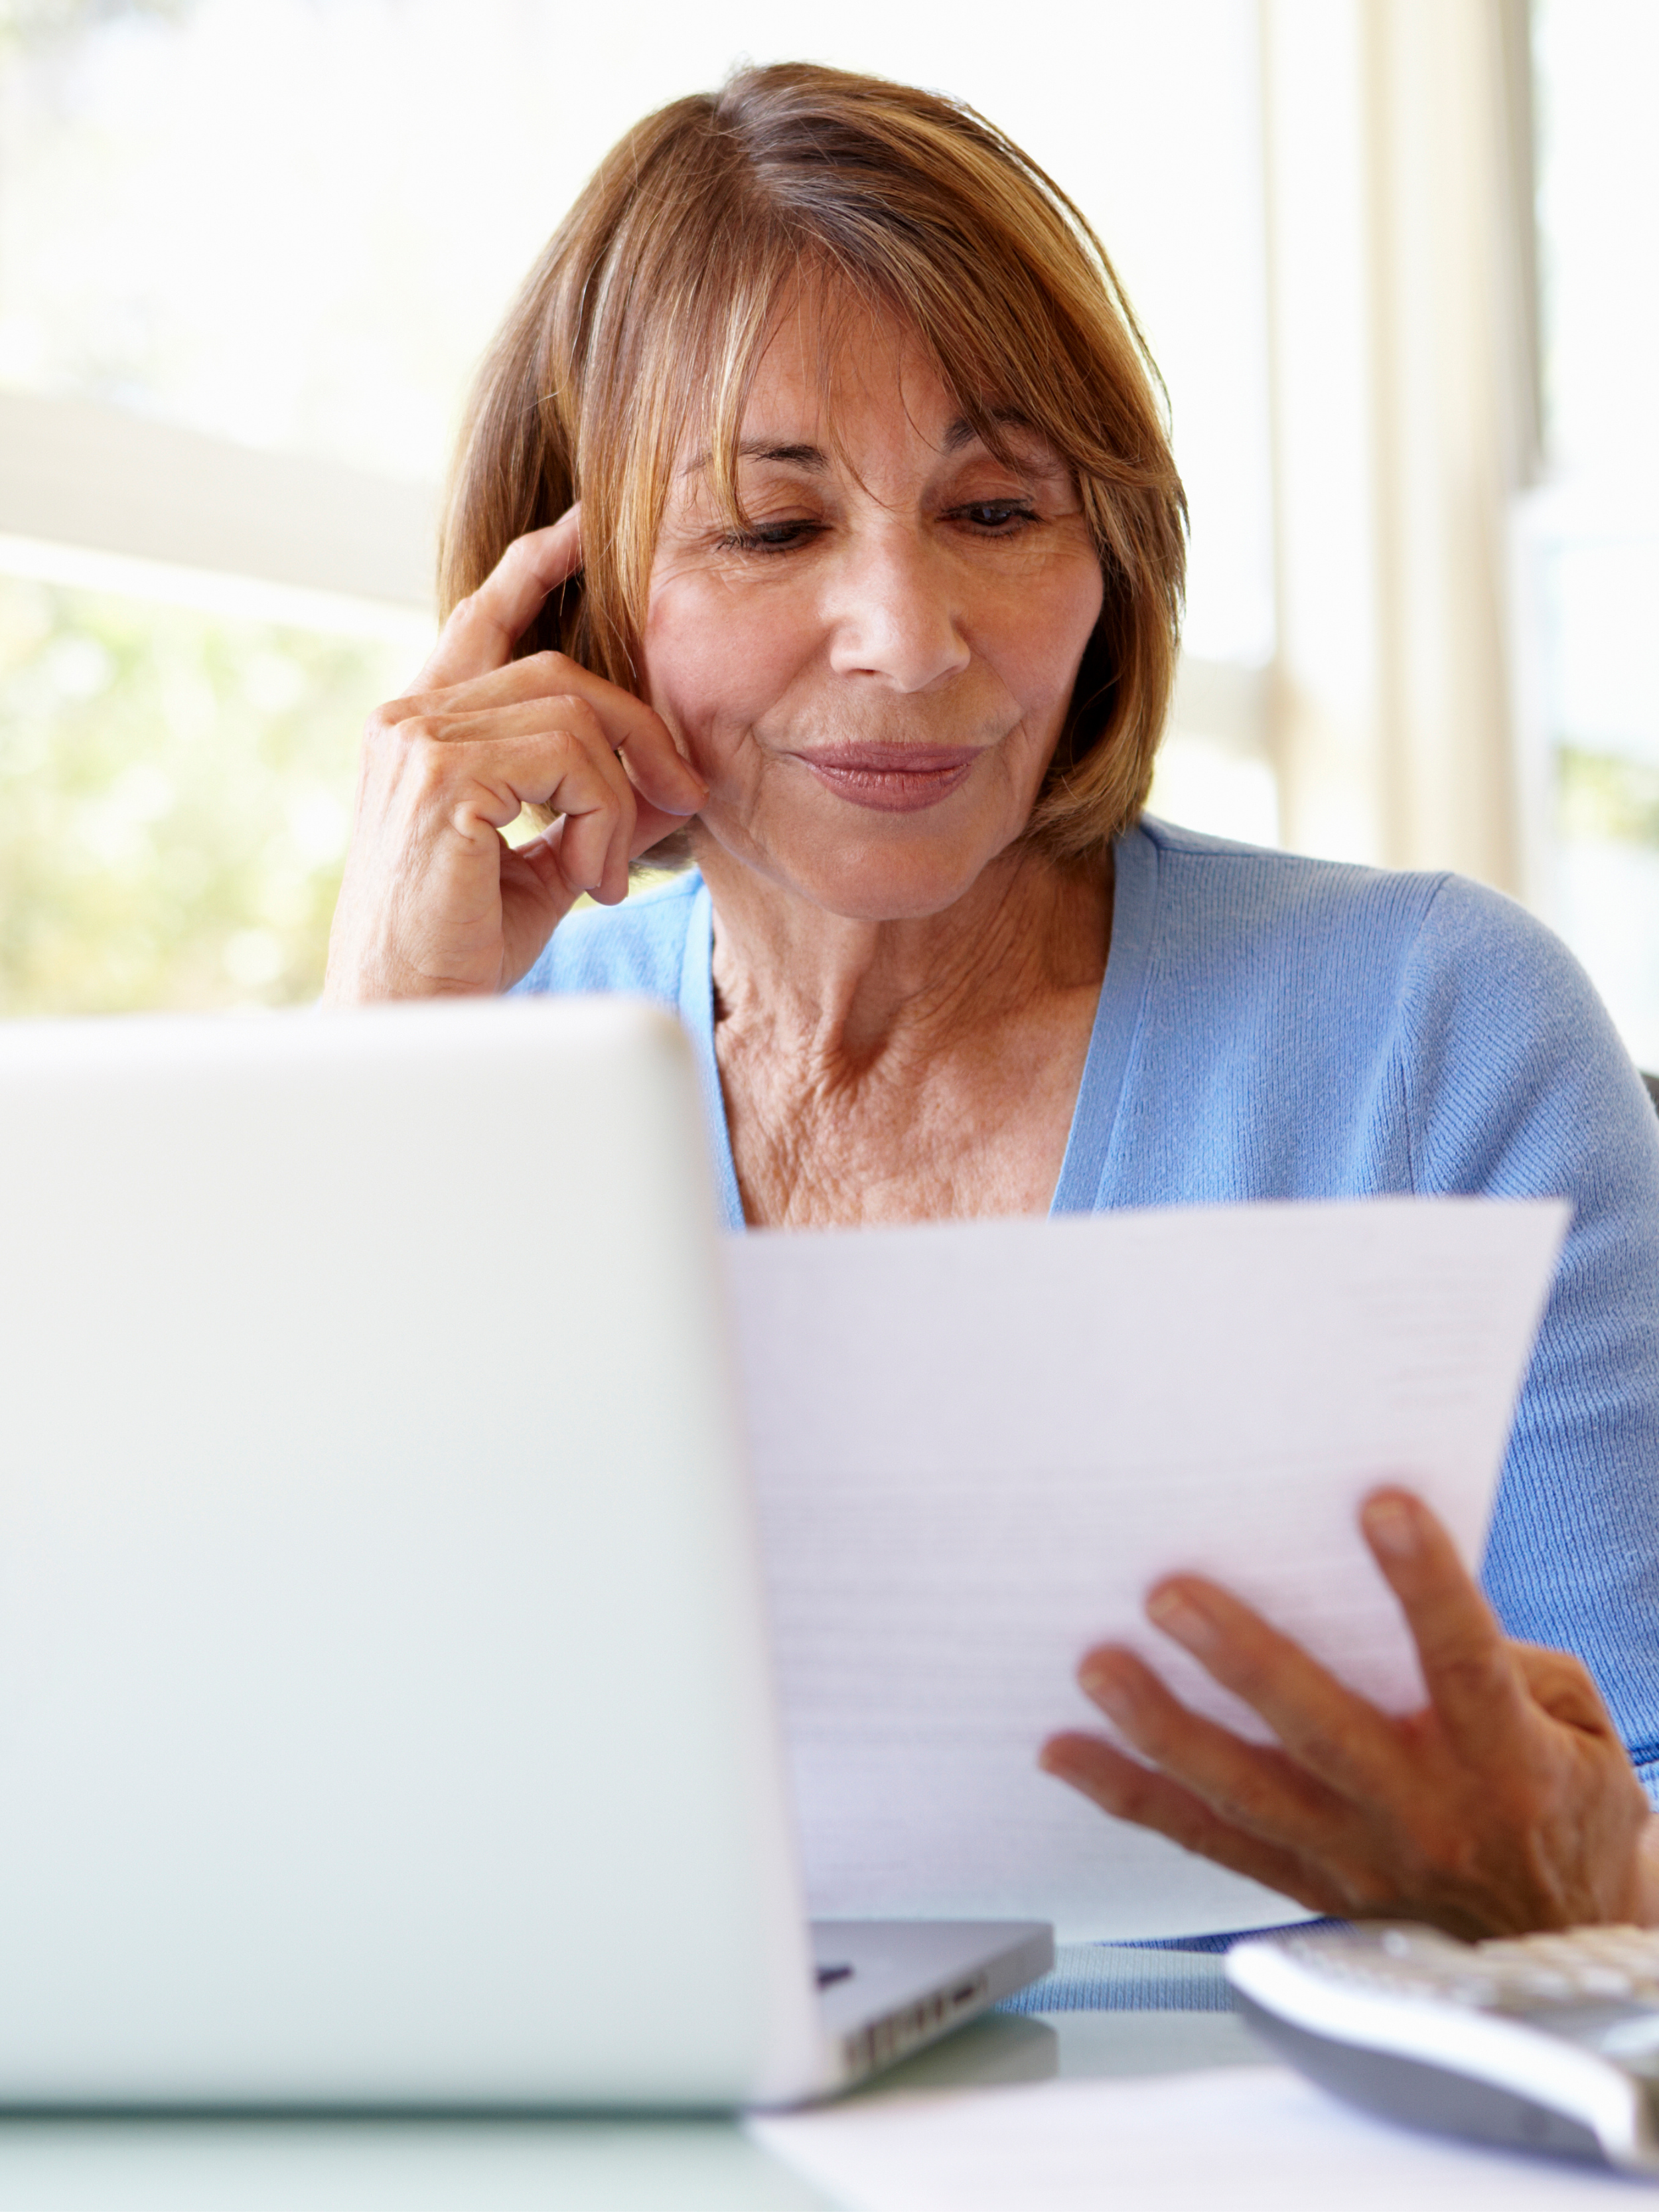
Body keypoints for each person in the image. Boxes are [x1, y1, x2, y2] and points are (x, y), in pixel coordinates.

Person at [325, 62, 1659, 1938]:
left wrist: (1572, 1878)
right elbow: (281, 1794)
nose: (907, 633)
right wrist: (384, 1057)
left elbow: (1638, 1810)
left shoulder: (1435, 1036)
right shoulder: (463, 1068)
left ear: (1107, 561)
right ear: (576, 602)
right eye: (773, 529)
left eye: (995, 507)